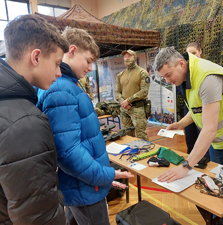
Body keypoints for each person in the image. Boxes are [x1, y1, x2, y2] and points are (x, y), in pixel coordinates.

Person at [37, 27, 133, 225]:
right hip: (86, 186)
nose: (90, 68)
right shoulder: (61, 89)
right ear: (71, 51)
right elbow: (68, 152)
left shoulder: (69, 83)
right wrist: (105, 175)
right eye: (88, 61)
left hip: (82, 185)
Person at [0, 14, 69, 224]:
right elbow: (38, 217)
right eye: (57, 63)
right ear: (36, 57)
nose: (59, 73)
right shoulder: (25, 121)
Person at [154, 47, 223, 183]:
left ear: (181, 63)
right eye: (164, 78)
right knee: (220, 184)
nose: (167, 81)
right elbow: (199, 108)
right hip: (218, 142)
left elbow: (210, 129)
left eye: (168, 75)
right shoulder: (185, 76)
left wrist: (185, 167)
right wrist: (181, 124)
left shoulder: (207, 78)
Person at [115, 50, 150, 141]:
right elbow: (117, 92)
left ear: (134, 57)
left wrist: (128, 101)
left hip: (138, 109)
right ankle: (132, 152)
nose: (126, 58)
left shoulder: (142, 73)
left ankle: (147, 154)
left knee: (141, 135)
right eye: (125, 57)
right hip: (124, 109)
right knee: (127, 135)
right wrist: (123, 102)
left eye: (129, 56)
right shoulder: (120, 75)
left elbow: (144, 91)